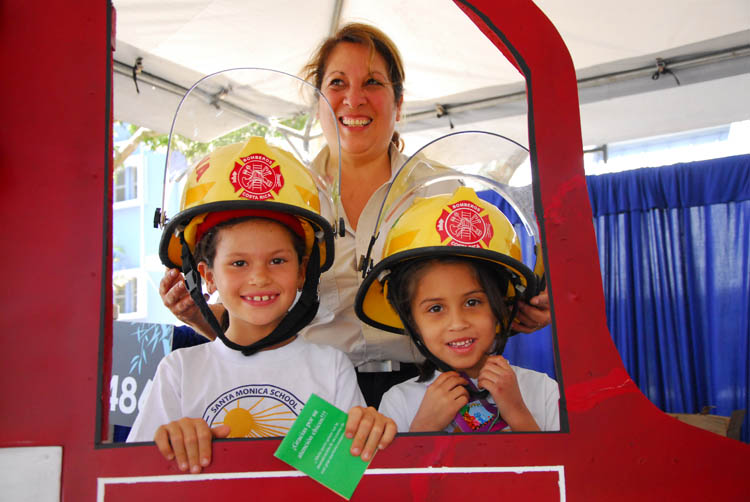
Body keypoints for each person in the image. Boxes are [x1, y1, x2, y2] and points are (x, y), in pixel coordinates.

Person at [158, 22, 551, 408]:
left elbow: (476, 298)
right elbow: (257, 311)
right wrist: (199, 316)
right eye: (337, 83)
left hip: (427, 393)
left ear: (398, 102)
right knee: (329, 475)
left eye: (373, 83)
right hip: (315, 393)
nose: (353, 99)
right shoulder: (287, 197)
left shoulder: (443, 193)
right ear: (316, 104)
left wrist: (520, 311)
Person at [128, 137, 396, 474]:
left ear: (302, 272)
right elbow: (133, 479)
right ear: (206, 277)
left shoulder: (331, 368)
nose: (259, 278)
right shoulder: (178, 372)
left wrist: (369, 436)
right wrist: (166, 445)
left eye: (277, 261)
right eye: (239, 263)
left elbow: (343, 479)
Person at [356, 185, 559, 433]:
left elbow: (560, 471)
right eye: (436, 308)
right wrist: (423, 430)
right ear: (411, 321)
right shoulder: (398, 402)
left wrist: (517, 413)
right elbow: (401, 474)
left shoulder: (543, 390)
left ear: (502, 309)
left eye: (473, 302)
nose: (457, 323)